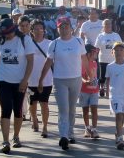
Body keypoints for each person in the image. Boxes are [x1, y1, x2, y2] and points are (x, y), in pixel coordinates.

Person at [38, 17, 89, 150]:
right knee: (63, 109)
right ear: (58, 29)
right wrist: (41, 79)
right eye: (61, 27)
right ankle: (63, 136)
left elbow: (84, 58)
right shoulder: (54, 44)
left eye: (66, 26)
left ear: (71, 28)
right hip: (60, 80)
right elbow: (48, 62)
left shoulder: (78, 42)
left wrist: (89, 73)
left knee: (72, 109)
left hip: (76, 79)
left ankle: (70, 132)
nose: (64, 29)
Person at [0, 18, 34, 154]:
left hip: (19, 82)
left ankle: (16, 136)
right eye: (4, 33)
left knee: (18, 110)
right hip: (3, 81)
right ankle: (5, 141)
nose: (6, 35)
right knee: (5, 110)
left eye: (8, 32)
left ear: (14, 29)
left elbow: (31, 61)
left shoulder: (25, 40)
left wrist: (25, 80)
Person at [28, 19, 53, 138]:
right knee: (32, 103)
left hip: (46, 79)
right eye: (36, 29)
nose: (38, 31)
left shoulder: (50, 43)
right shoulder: (28, 43)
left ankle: (45, 127)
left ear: (44, 30)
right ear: (31, 31)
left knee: (44, 103)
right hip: (31, 79)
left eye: (40, 29)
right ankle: (34, 118)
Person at [95, 19, 122, 97]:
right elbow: (97, 48)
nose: (108, 26)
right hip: (103, 59)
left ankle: (114, 89)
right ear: (103, 26)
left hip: (114, 59)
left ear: (111, 25)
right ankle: (102, 88)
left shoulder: (116, 35)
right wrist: (94, 57)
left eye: (109, 24)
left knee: (114, 75)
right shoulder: (100, 36)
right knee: (102, 76)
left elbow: (121, 46)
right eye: (106, 24)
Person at [79, 44, 100, 139]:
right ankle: (87, 128)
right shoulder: (82, 63)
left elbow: (96, 76)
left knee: (94, 109)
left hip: (94, 90)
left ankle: (94, 129)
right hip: (84, 90)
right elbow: (81, 76)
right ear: (87, 54)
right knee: (85, 110)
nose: (96, 54)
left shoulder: (95, 63)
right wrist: (86, 81)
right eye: (94, 52)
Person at [18, 15, 32, 121]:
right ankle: (23, 113)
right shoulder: (16, 39)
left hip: (34, 70)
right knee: (24, 92)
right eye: (22, 26)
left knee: (31, 93)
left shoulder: (33, 37)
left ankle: (32, 112)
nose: (24, 28)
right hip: (22, 70)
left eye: (26, 25)